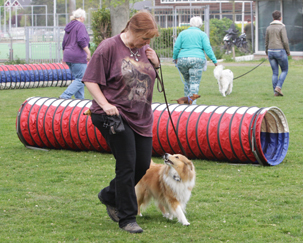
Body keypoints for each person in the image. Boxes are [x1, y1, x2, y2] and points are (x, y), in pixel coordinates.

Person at [82, 11, 160, 233]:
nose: (147, 43)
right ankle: (127, 217)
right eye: (145, 38)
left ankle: (108, 195)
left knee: (142, 165)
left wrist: (156, 64)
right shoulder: (109, 47)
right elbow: (90, 79)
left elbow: (148, 77)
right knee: (127, 163)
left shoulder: (144, 49)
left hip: (141, 116)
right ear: (132, 30)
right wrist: (105, 104)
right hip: (112, 115)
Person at [173, 16, 217, 104]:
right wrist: (214, 61)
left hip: (182, 59)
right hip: (197, 60)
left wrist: (175, 58)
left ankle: (186, 103)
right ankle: (192, 105)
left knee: (187, 81)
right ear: (200, 25)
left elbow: (176, 47)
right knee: (194, 82)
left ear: (190, 23)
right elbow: (207, 48)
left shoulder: (182, 33)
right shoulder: (202, 34)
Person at [60, 8, 91, 99]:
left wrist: (64, 55)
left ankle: (79, 101)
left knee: (79, 78)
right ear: (81, 17)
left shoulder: (69, 26)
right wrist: (88, 52)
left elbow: (64, 42)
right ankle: (65, 95)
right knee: (82, 79)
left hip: (68, 55)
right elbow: (81, 39)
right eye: (84, 18)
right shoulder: (80, 25)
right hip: (78, 55)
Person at [265, 10, 290, 97]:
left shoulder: (268, 28)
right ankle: (278, 87)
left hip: (271, 51)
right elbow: (285, 41)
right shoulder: (282, 27)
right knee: (285, 70)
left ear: (273, 18)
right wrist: (288, 51)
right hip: (280, 51)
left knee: (275, 72)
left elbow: (266, 41)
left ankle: (275, 92)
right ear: (280, 18)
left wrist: (266, 52)